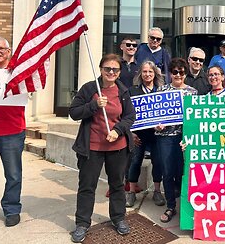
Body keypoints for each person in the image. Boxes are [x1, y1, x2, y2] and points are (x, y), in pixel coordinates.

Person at [69, 54, 135, 242]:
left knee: (117, 185)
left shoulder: (123, 91)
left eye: (115, 69)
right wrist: (93, 105)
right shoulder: (90, 89)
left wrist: (118, 130)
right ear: (101, 69)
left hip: (117, 146)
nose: (111, 72)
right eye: (107, 69)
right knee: (87, 186)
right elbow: (74, 112)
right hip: (92, 147)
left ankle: (118, 218)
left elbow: (130, 117)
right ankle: (82, 223)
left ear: (119, 72)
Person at [0, 36, 25, 227]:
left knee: (13, 174)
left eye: (1, 48)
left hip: (12, 131)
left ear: (8, 51)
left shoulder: (18, 73)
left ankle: (12, 209)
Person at [155, 58, 197, 223]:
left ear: (186, 73)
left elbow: (196, 119)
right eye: (175, 72)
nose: (178, 75)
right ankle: (171, 206)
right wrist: (156, 126)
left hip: (185, 139)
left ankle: (185, 206)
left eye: (181, 72)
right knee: (167, 172)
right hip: (165, 138)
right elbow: (155, 116)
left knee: (184, 172)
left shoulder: (193, 92)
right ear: (170, 73)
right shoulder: (162, 90)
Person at [126, 61, 165, 208]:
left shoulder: (161, 91)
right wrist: (131, 132)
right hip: (138, 134)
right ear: (140, 74)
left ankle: (156, 191)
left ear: (155, 74)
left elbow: (165, 112)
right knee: (135, 161)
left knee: (158, 161)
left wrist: (163, 125)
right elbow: (127, 113)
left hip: (156, 134)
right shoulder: (133, 91)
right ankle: (131, 192)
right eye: (144, 72)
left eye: (150, 72)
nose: (147, 74)